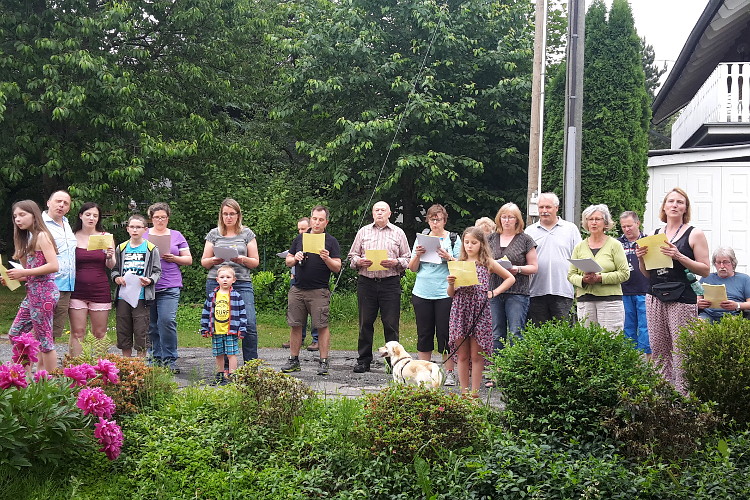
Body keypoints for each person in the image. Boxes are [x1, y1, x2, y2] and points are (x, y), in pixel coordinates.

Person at [636, 187, 710, 394]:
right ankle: (663, 397)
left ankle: (683, 397)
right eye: (671, 201)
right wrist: (641, 259)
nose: (675, 205)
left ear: (685, 208)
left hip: (683, 297)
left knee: (682, 350)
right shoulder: (653, 235)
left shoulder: (694, 233)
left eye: (680, 202)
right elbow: (648, 274)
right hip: (655, 295)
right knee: (659, 348)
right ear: (664, 207)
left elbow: (705, 269)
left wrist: (679, 256)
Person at [447, 226, 515, 396]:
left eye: (474, 243)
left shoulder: (487, 262)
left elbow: (510, 278)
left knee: (477, 355)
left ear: (481, 244)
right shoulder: (459, 263)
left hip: (480, 310)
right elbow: (451, 293)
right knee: (462, 355)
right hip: (460, 309)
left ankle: (475, 393)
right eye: (466, 242)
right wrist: (450, 283)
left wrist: (494, 292)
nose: (469, 246)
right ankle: (464, 392)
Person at [348, 201, 411, 373]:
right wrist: (359, 261)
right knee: (365, 322)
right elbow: (352, 256)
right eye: (377, 210)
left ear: (390, 213)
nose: (380, 213)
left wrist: (395, 262)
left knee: (391, 324)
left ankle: (393, 363)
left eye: (383, 210)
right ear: (372, 213)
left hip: (390, 283)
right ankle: (363, 360)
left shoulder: (398, 233)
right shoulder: (363, 231)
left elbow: (408, 258)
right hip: (366, 282)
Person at [280, 206, 342, 375]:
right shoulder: (300, 238)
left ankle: (324, 361)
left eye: (321, 220)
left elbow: (337, 267)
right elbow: (288, 260)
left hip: (319, 291)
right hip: (298, 288)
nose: (317, 222)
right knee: (295, 325)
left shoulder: (331, 241)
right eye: (314, 219)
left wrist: (327, 258)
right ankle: (294, 360)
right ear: (311, 219)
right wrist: (295, 258)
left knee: (321, 325)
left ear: (326, 222)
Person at [408, 204, 461, 386]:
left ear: (444, 220)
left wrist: (448, 257)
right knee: (424, 333)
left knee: (445, 334)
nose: (435, 223)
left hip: (444, 293)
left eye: (438, 219)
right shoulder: (422, 238)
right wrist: (417, 255)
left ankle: (449, 372)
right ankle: (424, 373)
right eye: (432, 219)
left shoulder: (453, 238)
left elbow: (460, 265)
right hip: (422, 292)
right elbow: (412, 268)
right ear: (428, 221)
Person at [201, 198, 259, 364]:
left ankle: (250, 366)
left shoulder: (247, 234)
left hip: (241, 282)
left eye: (232, 214)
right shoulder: (214, 234)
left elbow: (255, 262)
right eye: (225, 214)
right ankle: (226, 369)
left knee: (249, 323)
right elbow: (204, 262)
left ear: (238, 215)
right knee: (221, 324)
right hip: (217, 283)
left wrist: (242, 259)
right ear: (221, 215)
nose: (228, 217)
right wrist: (214, 260)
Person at [6, 200, 60, 372]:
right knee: (15, 334)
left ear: (34, 215)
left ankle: (50, 382)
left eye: (22, 215)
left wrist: (24, 273)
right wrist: (14, 278)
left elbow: (54, 266)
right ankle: (25, 377)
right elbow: (31, 272)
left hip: (45, 293)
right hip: (33, 293)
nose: (18, 219)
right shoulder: (26, 238)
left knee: (45, 341)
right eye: (15, 216)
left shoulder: (42, 235)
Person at [145, 202, 192, 372]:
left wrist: (174, 258)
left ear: (168, 218)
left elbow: (188, 259)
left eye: (163, 217)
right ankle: (154, 358)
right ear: (151, 218)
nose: (160, 220)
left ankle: (170, 359)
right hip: (148, 284)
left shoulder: (176, 235)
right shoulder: (144, 234)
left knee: (166, 321)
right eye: (157, 217)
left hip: (170, 284)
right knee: (151, 324)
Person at [567, 204, 629, 332]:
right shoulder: (579, 247)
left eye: (597, 219)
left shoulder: (615, 245)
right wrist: (583, 280)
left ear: (605, 222)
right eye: (590, 219)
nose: (593, 223)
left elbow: (624, 273)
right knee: (587, 340)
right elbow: (571, 275)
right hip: (585, 301)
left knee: (611, 338)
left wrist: (600, 278)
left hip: (610, 302)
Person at [525, 192, 582, 325]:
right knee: (537, 332)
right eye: (541, 207)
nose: (544, 211)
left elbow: (580, 257)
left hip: (563, 290)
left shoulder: (570, 229)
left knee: (564, 331)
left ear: (556, 208)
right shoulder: (529, 231)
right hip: (536, 291)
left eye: (548, 207)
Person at [487, 202, 538, 352]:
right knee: (496, 332)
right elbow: (482, 261)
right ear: (499, 219)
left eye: (511, 217)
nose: (507, 220)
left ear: (517, 220)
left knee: (516, 332)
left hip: (518, 292)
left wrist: (518, 269)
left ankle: (516, 364)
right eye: (504, 217)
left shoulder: (525, 239)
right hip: (494, 290)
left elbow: (534, 267)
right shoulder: (490, 239)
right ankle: (497, 364)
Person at [69, 202, 116, 358]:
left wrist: (109, 256)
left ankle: (101, 367)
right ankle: (76, 367)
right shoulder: (71, 236)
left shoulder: (105, 237)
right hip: (77, 290)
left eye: (95, 215)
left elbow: (111, 265)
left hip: (99, 289)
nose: (91, 218)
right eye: (88, 214)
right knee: (78, 332)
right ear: (80, 216)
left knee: (99, 333)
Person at [112, 214, 161, 358]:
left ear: (145, 229)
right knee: (123, 330)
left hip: (142, 296)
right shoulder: (121, 248)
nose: (135, 230)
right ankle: (126, 364)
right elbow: (114, 269)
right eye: (132, 227)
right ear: (127, 229)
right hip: (123, 296)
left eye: (138, 227)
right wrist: (117, 278)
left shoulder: (151, 248)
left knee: (141, 331)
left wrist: (150, 280)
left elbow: (157, 271)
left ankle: (140, 366)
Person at [200, 266, 247, 386]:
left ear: (234, 280)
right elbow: (206, 312)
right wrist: (205, 328)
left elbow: (242, 314)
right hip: (216, 331)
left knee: (231, 354)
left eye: (228, 277)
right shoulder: (212, 296)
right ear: (217, 279)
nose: (225, 279)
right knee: (218, 354)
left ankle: (232, 376)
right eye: (222, 277)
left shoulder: (236, 296)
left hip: (231, 331)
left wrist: (242, 329)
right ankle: (219, 376)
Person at [42, 190, 77, 340]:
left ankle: (47, 357)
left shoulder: (67, 224)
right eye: (58, 201)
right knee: (39, 330)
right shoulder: (39, 225)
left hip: (66, 287)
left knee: (54, 332)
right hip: (46, 285)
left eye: (65, 203)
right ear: (48, 203)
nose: (61, 205)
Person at [282, 217, 319, 351]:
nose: (300, 231)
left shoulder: (317, 242)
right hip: (296, 280)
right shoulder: (298, 240)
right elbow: (290, 259)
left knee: (316, 313)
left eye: (303, 229)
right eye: (299, 229)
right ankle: (298, 339)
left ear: (310, 227)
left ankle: (316, 339)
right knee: (297, 314)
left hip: (315, 284)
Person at [618, 211, 651, 354]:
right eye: (623, 227)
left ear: (638, 223)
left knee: (645, 327)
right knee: (627, 327)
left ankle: (646, 361)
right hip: (624, 291)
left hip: (644, 290)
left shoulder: (648, 241)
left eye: (629, 226)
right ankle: (630, 360)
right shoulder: (617, 243)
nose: (627, 229)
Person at [697, 247, 750, 323]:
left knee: (729, 325)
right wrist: (699, 303)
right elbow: (697, 299)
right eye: (718, 262)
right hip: (708, 314)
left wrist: (737, 305)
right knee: (699, 324)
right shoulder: (706, 278)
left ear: (733, 263)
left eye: (725, 262)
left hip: (732, 314)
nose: (722, 266)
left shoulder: (744, 279)